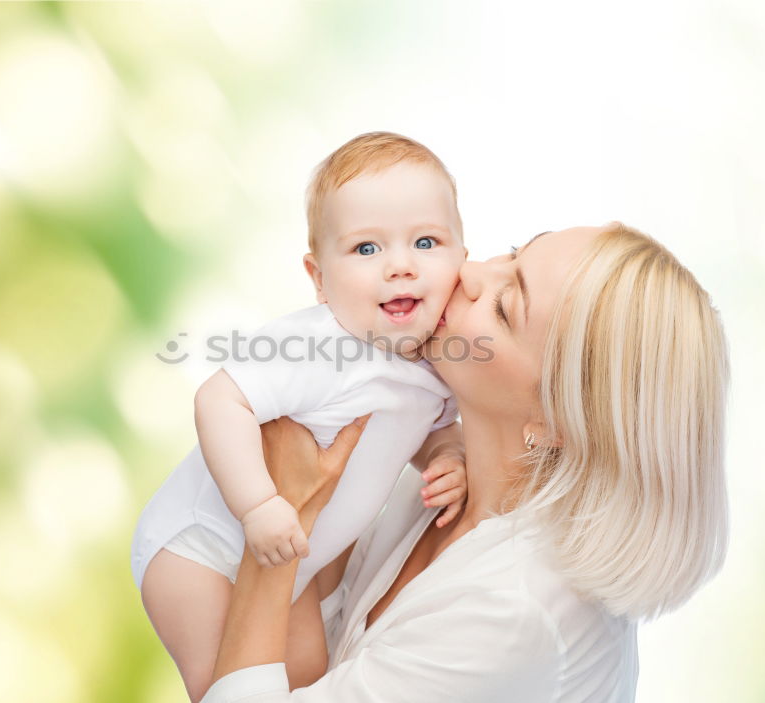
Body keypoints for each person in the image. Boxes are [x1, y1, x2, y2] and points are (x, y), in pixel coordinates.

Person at [200, 223, 731, 702]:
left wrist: (282, 518)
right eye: (511, 254)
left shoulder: (516, 613)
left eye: (505, 307)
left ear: (555, 421)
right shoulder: (449, 477)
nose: (468, 271)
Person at [131, 132, 476, 701]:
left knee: (311, 682)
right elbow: (220, 400)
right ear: (319, 278)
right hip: (199, 550)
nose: (400, 266)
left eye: (426, 241)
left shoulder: (441, 361)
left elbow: (431, 427)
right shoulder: (319, 347)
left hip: (294, 567)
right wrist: (258, 505)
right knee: (224, 682)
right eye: (367, 249)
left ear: (462, 255)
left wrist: (447, 456)